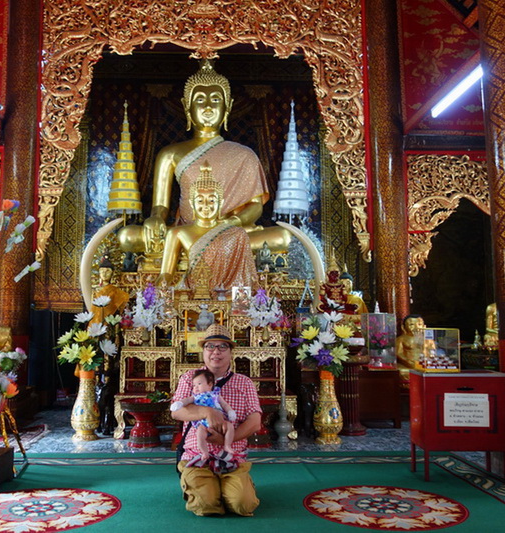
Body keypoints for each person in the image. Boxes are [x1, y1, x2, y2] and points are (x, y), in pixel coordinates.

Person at [118, 59, 290, 254]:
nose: (208, 107)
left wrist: (231, 222)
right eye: (200, 99)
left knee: (283, 237)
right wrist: (156, 218)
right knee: (127, 237)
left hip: (231, 232)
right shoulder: (170, 154)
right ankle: (209, 248)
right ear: (186, 107)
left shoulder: (244, 155)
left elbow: (255, 207)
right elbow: (160, 206)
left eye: (216, 99)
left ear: (228, 107)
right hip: (187, 232)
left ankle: (209, 247)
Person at [171, 323, 261, 517]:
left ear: (231, 351)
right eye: (210, 346)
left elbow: (255, 422)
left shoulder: (244, 383)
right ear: (203, 351)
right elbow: (177, 412)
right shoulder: (189, 379)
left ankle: (237, 484)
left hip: (232, 455)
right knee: (206, 505)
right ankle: (201, 485)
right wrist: (207, 412)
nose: (216, 352)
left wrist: (226, 439)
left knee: (242, 505)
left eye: (222, 347)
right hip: (198, 455)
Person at [157, 166, 258, 294]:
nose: (206, 205)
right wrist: (160, 287)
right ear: (191, 203)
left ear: (220, 203)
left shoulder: (236, 233)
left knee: (238, 298)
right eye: (200, 200)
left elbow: (244, 277)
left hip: (226, 294)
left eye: (211, 200)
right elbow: (166, 272)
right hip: (193, 292)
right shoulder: (177, 233)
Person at [171, 368, 237, 468]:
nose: (196, 388)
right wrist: (179, 403)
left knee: (230, 427)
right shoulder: (195, 397)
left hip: (220, 421)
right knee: (199, 433)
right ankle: (204, 451)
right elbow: (186, 400)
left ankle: (227, 445)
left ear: (210, 384)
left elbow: (225, 405)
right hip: (203, 423)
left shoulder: (216, 395)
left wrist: (230, 411)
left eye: (199, 384)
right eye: (194, 385)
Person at [91, 256, 130, 324]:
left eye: (108, 271)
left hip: (109, 320)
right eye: (102, 271)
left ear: (112, 274)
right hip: (95, 319)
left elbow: (119, 305)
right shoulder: (95, 289)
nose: (104, 274)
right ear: (99, 273)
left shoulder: (115, 290)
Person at [395, 314, 425, 388]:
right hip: (407, 365)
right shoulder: (401, 339)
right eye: (411, 324)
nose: (415, 327)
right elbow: (398, 353)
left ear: (424, 326)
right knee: (401, 372)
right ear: (403, 327)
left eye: (419, 324)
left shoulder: (426, 339)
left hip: (422, 365)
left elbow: (431, 351)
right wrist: (407, 361)